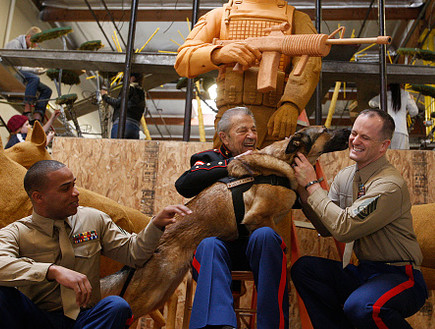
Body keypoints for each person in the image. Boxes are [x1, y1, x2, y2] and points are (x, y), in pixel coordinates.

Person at [0, 159, 192, 329]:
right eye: (65, 188)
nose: (75, 193)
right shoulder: (17, 232)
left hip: (85, 319)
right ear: (38, 197)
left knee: (117, 307)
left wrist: (156, 225)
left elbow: (134, 253)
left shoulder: (93, 219)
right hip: (36, 318)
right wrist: (52, 271)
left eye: (74, 185)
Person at [291, 108, 428, 328]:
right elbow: (328, 227)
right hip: (364, 271)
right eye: (354, 133)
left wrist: (311, 185)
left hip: (401, 276)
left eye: (365, 137)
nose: (355, 140)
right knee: (305, 269)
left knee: (362, 306)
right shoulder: (346, 176)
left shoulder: (389, 185)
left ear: (384, 146)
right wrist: (302, 193)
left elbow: (346, 229)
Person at [175, 107, 289, 329]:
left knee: (266, 236)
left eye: (254, 130)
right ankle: (217, 326)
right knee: (208, 245)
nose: (251, 136)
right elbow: (184, 184)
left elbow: (293, 199)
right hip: (218, 250)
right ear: (224, 137)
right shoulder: (210, 158)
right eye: (243, 130)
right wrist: (236, 163)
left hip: (257, 248)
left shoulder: (266, 161)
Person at [175, 0, 321, 148]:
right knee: (227, 168)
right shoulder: (220, 16)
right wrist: (219, 54)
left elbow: (311, 64)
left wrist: (291, 104)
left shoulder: (296, 18)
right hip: (231, 118)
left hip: (274, 118)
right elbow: (183, 61)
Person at [5, 27, 53, 122]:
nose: (36, 45)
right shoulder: (15, 44)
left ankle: (38, 115)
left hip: (20, 73)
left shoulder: (27, 48)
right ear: (28, 37)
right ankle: (27, 109)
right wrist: (35, 70)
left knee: (47, 90)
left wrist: (38, 69)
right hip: (11, 71)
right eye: (35, 42)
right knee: (34, 78)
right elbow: (15, 67)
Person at [369, 83, 419, 149]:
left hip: (386, 131)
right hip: (401, 131)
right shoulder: (405, 94)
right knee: (401, 156)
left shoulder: (383, 95)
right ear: (401, 85)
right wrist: (412, 99)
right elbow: (414, 112)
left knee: (386, 156)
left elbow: (371, 103)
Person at [101, 73, 145, 139]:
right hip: (135, 127)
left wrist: (104, 96)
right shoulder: (142, 93)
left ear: (132, 78)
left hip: (122, 124)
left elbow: (118, 103)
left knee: (116, 147)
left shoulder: (129, 88)